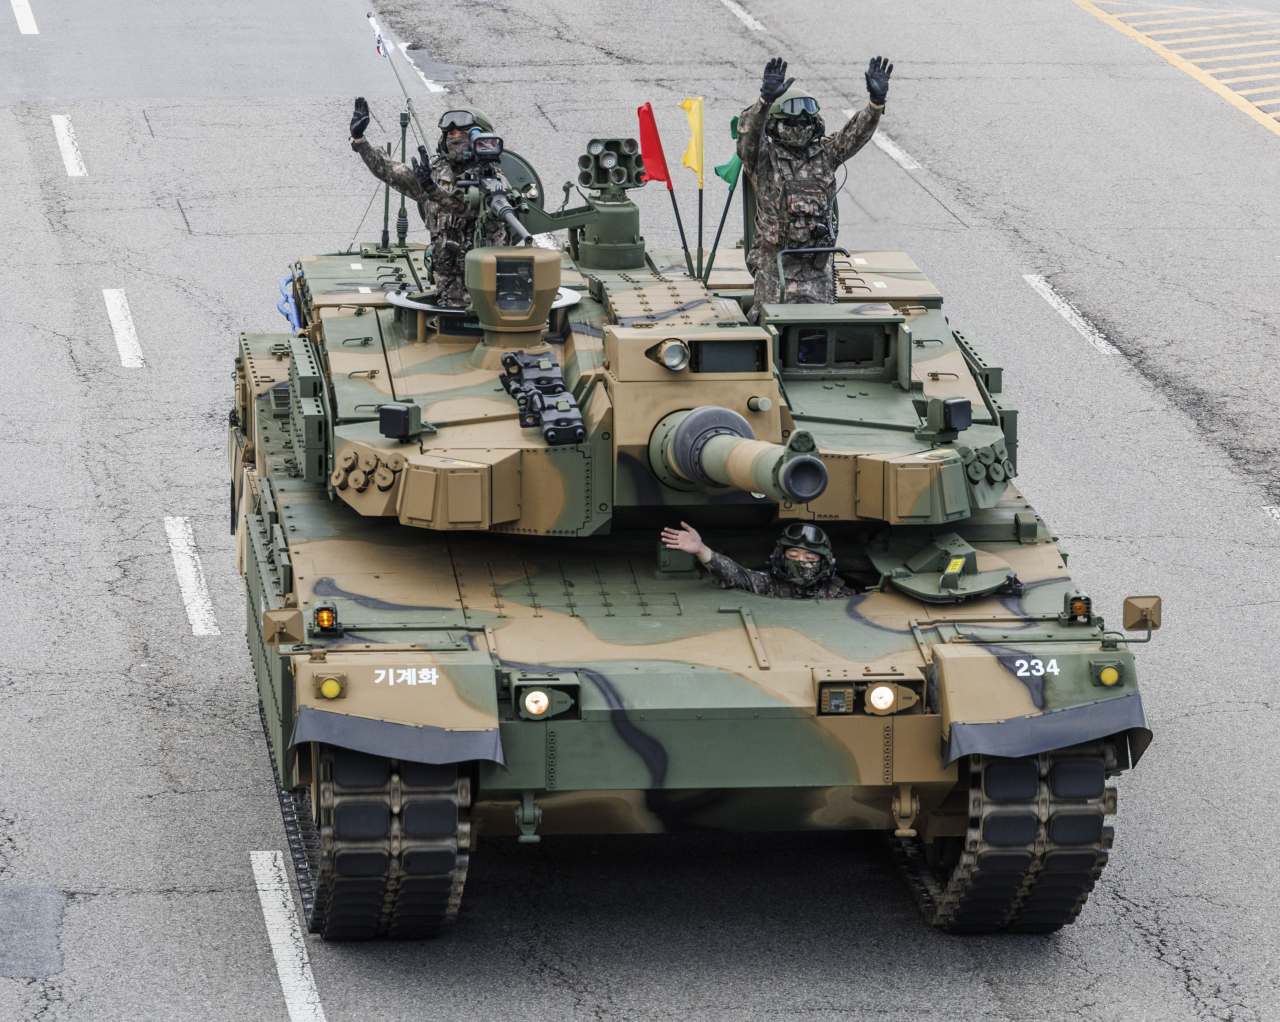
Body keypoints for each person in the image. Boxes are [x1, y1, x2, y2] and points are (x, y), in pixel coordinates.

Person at [736, 56, 893, 322]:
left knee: (818, 336)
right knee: (774, 333)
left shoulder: (825, 154)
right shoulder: (764, 159)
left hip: (817, 270)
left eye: (805, 123)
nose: (800, 129)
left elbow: (855, 134)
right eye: (792, 123)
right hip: (776, 271)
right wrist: (763, 102)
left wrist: (875, 105)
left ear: (816, 124)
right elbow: (748, 136)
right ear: (775, 125)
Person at [349, 99, 513, 308]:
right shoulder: (435, 175)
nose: (454, 140)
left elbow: (465, 209)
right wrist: (360, 140)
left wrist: (431, 188)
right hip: (447, 292)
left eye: (462, 134)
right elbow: (390, 171)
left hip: (489, 292)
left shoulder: (494, 183)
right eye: (450, 135)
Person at [660, 521, 853, 599]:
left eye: (809, 558)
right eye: (793, 556)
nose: (800, 562)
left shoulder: (839, 594)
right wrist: (701, 549)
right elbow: (735, 575)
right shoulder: (768, 584)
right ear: (779, 558)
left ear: (825, 563)